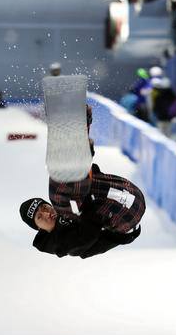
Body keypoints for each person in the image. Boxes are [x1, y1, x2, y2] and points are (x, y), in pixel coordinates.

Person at [20, 104, 145, 259]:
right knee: (60, 198)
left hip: (127, 194)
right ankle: (79, 148)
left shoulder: (64, 210)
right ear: (39, 228)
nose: (46, 213)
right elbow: (89, 236)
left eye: (44, 207)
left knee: (68, 196)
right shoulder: (61, 242)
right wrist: (88, 207)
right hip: (125, 218)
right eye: (40, 217)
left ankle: (78, 142)